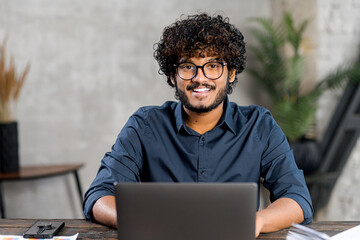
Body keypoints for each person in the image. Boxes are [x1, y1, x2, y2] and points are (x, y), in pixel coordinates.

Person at [83, 13, 313, 237]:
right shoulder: (144, 125)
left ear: (231, 73)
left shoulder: (259, 125)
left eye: (213, 66)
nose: (200, 78)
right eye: (187, 66)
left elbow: (297, 199)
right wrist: (144, 223)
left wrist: (256, 221)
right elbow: (98, 196)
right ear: (173, 76)